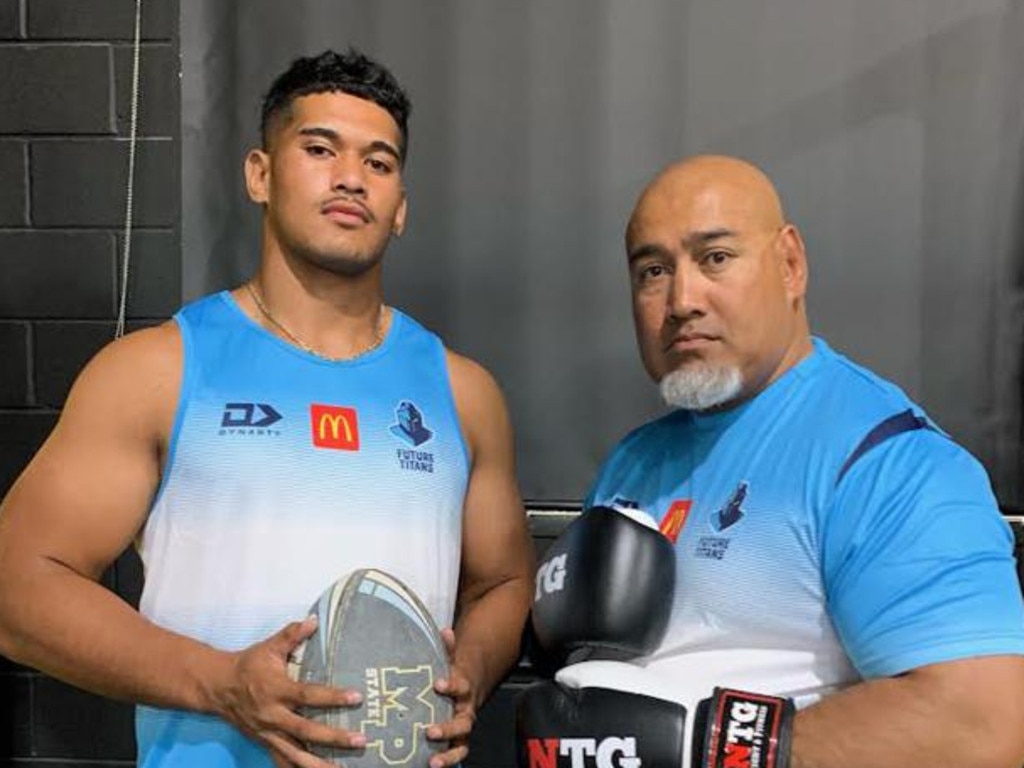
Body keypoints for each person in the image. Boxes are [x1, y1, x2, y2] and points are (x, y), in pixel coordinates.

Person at [0, 49, 534, 768]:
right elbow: (18, 587)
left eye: (379, 163)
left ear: (401, 207)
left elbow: (504, 580)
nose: (351, 176)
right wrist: (220, 684)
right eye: (319, 149)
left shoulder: (463, 393)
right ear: (260, 173)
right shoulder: (158, 371)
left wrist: (465, 674)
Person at [520, 155, 1024, 768]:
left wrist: (704, 750)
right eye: (653, 270)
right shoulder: (636, 461)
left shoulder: (887, 460)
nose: (681, 299)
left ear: (790, 265)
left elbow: (981, 724)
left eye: (715, 258)